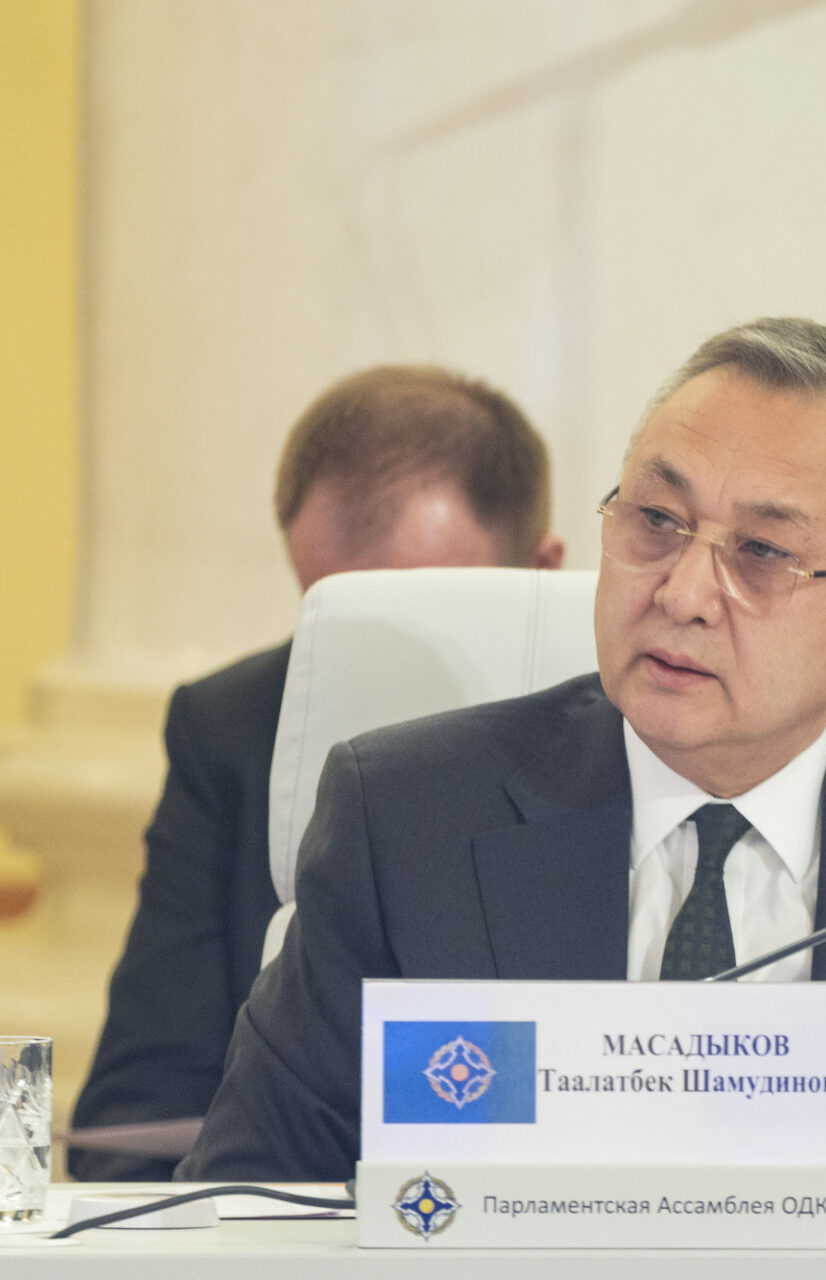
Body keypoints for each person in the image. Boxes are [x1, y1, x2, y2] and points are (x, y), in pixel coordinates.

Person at [179, 318, 826, 1182]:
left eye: (763, 552)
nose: (684, 591)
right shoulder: (406, 819)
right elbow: (250, 1203)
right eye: (657, 521)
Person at [70, 365, 565, 1180]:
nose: (361, 667)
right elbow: (134, 1121)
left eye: (416, 618)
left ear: (544, 571)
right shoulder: (231, 728)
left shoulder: (631, 735)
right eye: (329, 616)